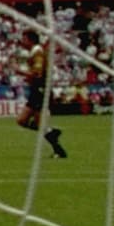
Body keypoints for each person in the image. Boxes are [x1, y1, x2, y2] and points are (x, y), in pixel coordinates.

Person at [16, 28, 68, 158]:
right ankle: (52, 135)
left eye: (24, 39)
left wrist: (20, 72)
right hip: (36, 90)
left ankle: (59, 150)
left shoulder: (37, 52)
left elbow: (37, 73)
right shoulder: (34, 52)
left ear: (30, 40)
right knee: (23, 121)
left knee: (34, 123)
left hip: (41, 90)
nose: (22, 42)